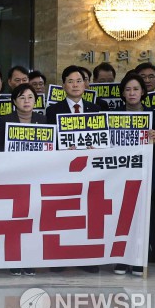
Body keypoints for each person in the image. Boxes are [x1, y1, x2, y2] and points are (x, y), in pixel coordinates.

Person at [45, 65, 101, 274]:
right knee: (63, 212)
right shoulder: (53, 111)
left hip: (89, 170)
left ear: (85, 84)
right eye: (70, 81)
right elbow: (49, 141)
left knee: (86, 212)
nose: (75, 85)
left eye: (79, 81)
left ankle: (86, 257)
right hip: (63, 171)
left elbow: (103, 139)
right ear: (63, 86)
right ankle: (58, 257)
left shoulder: (96, 109)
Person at [0, 83, 45, 275]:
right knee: (14, 220)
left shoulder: (43, 120)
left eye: (30, 97)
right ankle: (14, 259)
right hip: (13, 179)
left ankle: (29, 260)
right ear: (14, 101)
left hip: (35, 179)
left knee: (33, 220)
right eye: (22, 97)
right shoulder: (5, 120)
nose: (26, 101)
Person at [111, 73, 155, 276]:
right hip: (120, 174)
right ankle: (122, 258)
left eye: (136, 89)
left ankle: (139, 258)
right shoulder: (112, 115)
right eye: (128, 89)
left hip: (145, 171)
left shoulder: (153, 115)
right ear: (122, 93)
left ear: (143, 92)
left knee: (143, 217)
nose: (132, 93)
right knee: (122, 216)